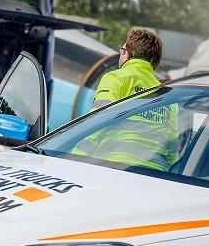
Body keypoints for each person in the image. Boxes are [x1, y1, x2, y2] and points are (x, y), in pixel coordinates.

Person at [72, 29, 178, 170]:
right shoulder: (167, 95)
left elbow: (98, 122)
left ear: (125, 53)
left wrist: (76, 157)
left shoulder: (116, 78)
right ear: (154, 62)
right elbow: (173, 147)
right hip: (154, 173)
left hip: (115, 166)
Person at [91, 28, 163, 110]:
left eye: (121, 50)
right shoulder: (165, 94)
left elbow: (100, 115)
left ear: (125, 53)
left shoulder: (115, 78)